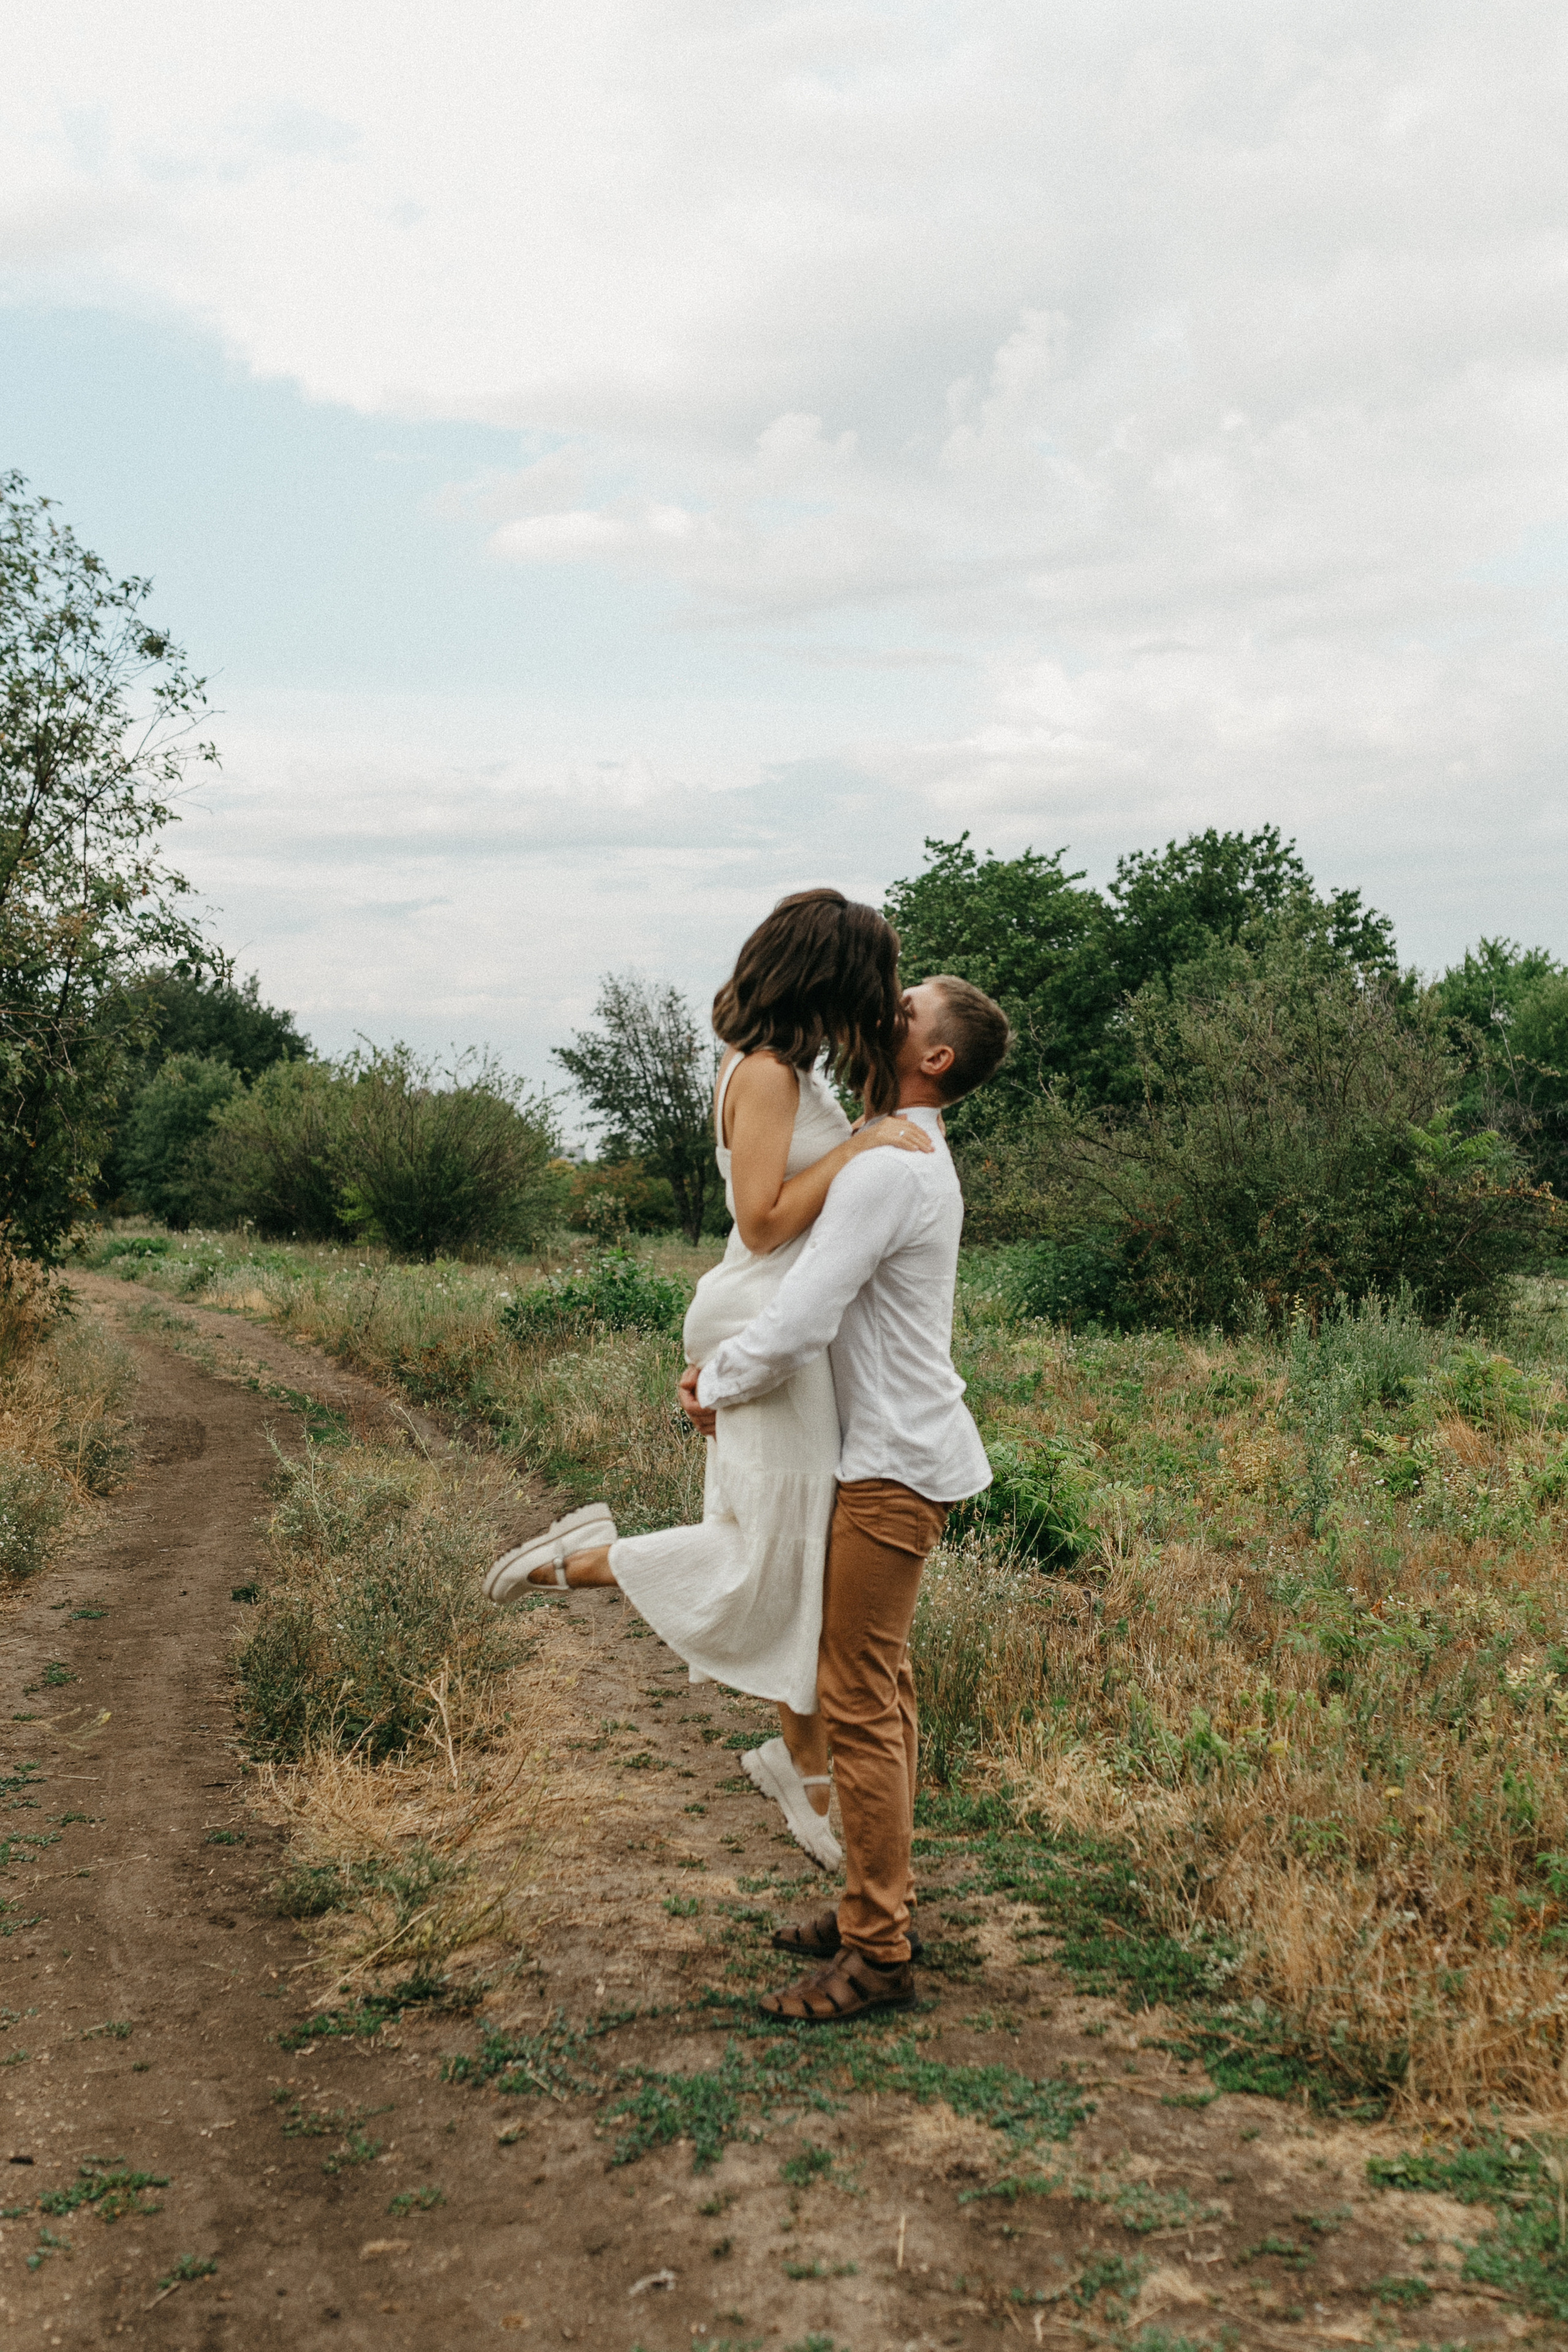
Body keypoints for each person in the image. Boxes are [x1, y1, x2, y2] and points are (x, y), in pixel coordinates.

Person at [483, 888, 935, 1867]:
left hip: (772, 1321)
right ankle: (585, 1562)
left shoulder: (780, 1065)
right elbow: (766, 1218)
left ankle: (804, 1771)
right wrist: (861, 1145)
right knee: (773, 1552)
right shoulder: (767, 1073)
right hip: (765, 1315)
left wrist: (870, 1119)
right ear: (830, 978)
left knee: (786, 1549)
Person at [682, 973, 1012, 2022]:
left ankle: (877, 1953)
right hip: (892, 1456)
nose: (884, 1010)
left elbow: (803, 1321)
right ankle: (879, 1898)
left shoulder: (889, 1167)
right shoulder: (884, 1147)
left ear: (936, 1058)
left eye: (904, 1009)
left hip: (890, 1465)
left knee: (858, 1703)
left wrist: (713, 1385)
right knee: (883, 1693)